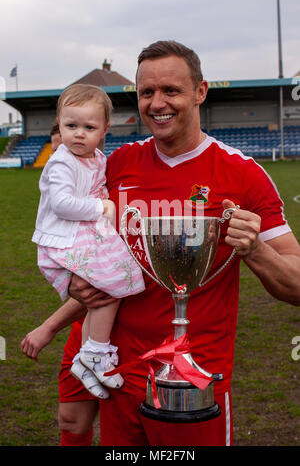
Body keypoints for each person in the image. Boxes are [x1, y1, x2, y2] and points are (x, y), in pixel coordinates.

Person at [21, 40, 300, 447]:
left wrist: (256, 250)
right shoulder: (114, 168)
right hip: (118, 378)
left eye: (171, 90)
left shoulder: (243, 174)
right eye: (146, 93)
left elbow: (296, 284)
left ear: (200, 92)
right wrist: (74, 283)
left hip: (194, 385)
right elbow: (85, 249)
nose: (157, 103)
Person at [30, 83, 145, 400]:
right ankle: (93, 352)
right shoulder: (62, 162)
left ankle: (90, 354)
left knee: (113, 284)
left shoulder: (97, 158)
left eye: (89, 127)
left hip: (84, 235)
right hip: (64, 240)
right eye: (71, 126)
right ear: (60, 123)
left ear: (105, 129)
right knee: (113, 283)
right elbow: (63, 204)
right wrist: (101, 207)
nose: (79, 134)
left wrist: (102, 203)